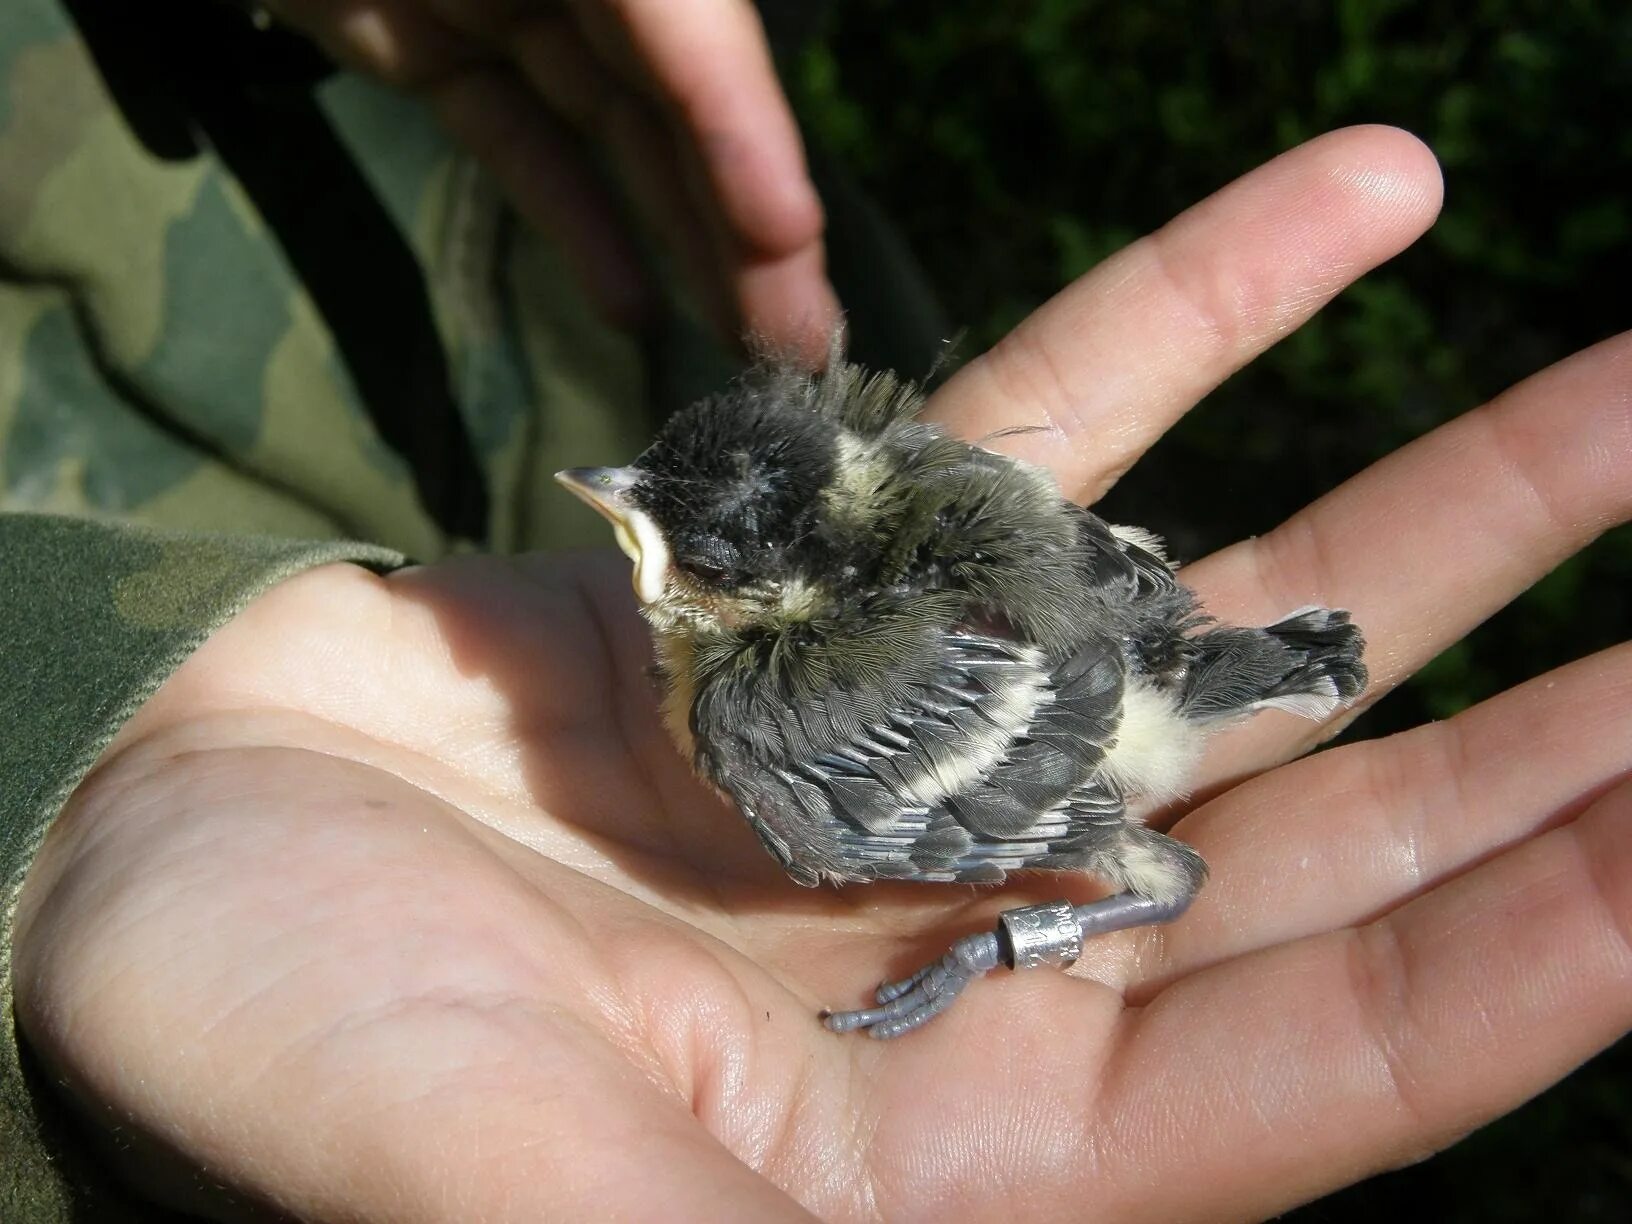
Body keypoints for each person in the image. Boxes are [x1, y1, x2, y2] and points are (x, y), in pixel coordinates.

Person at [1, 2, 1627, 1220]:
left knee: (1138, 864)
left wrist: (1030, 911)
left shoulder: (765, 715)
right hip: (1106, 622)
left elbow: (1065, 753)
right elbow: (1069, 570)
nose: (626, 521)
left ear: (780, 567)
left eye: (676, 544)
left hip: (1105, 708)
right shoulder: (907, 483)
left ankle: (1078, 902)